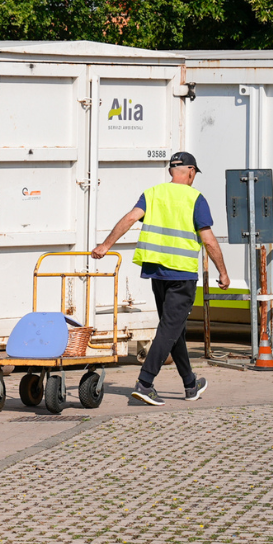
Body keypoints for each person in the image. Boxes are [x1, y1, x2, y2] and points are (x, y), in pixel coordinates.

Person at [91, 152, 229, 406]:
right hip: (181, 274)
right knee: (169, 328)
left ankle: (190, 384)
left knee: (174, 328)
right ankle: (145, 382)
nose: (194, 177)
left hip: (157, 272)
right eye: (195, 173)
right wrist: (223, 271)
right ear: (189, 171)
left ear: (170, 172)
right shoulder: (195, 198)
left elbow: (131, 217)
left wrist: (105, 245)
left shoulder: (152, 193)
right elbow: (208, 239)